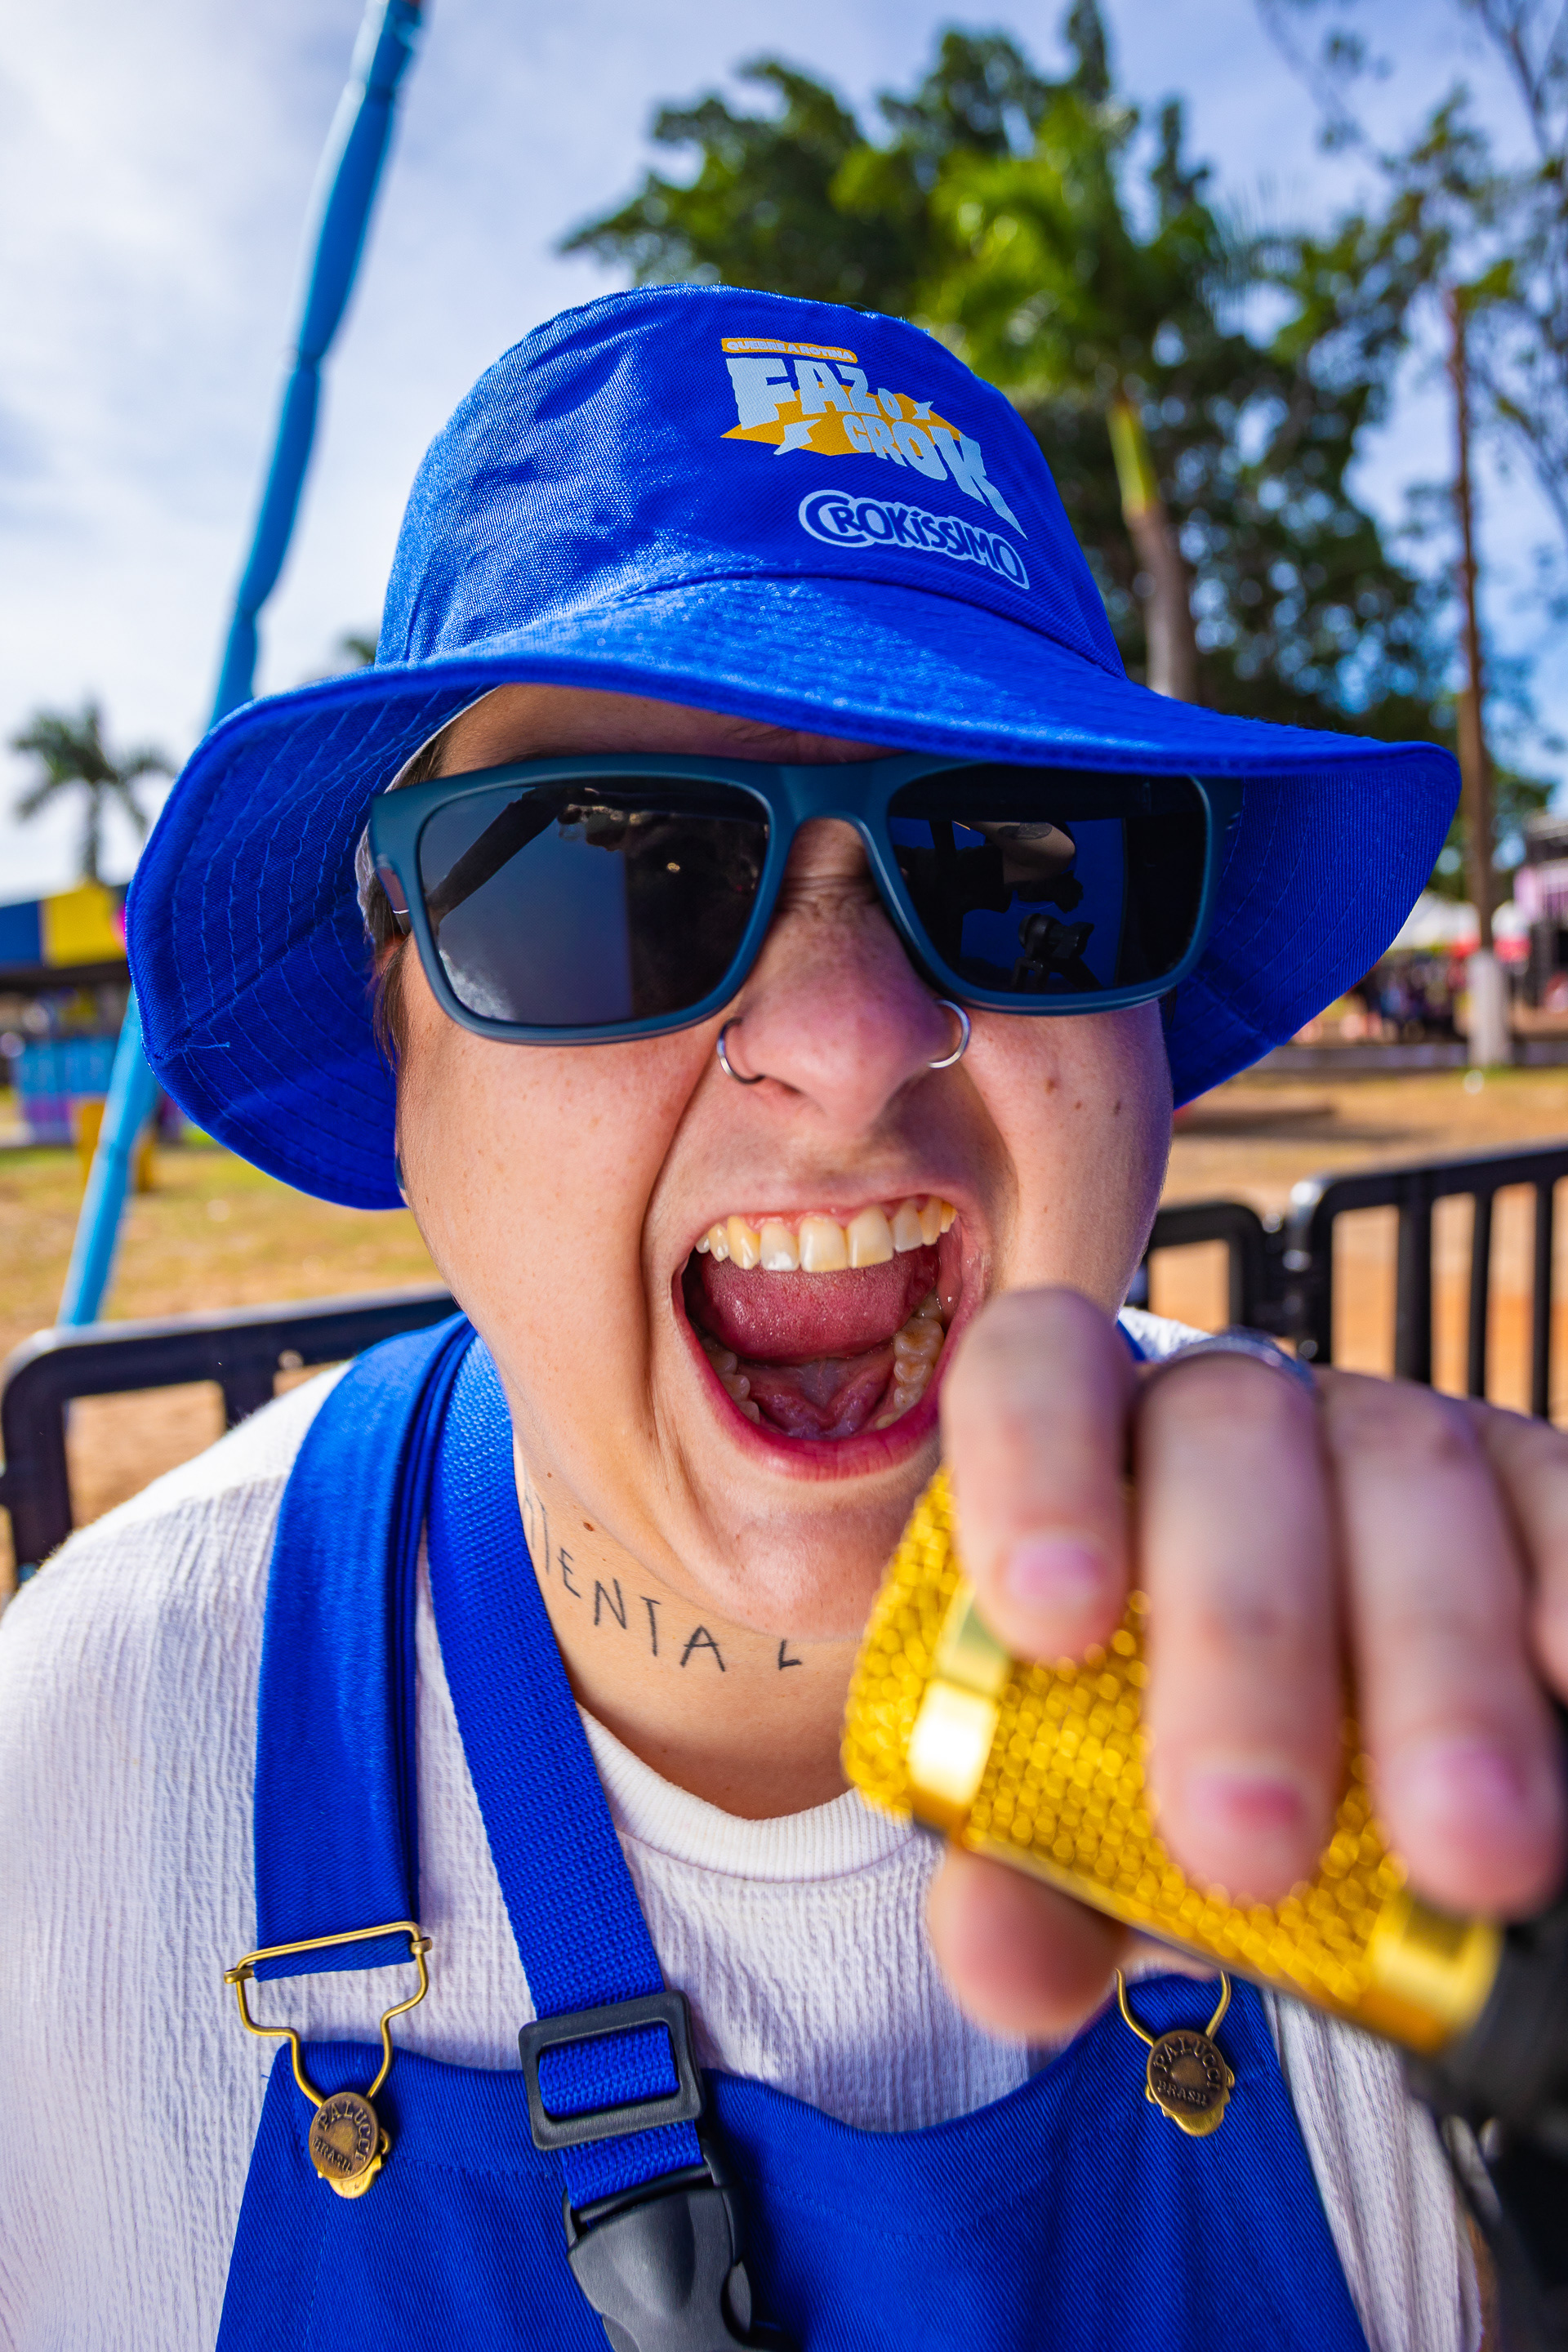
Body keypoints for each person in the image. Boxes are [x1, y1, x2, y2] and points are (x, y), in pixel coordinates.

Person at [1, 285, 1561, 2352]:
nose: (846, 1037)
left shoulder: (1425, 1718)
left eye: (1026, 866)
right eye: (607, 873)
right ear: (401, 1040)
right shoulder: (85, 1775)